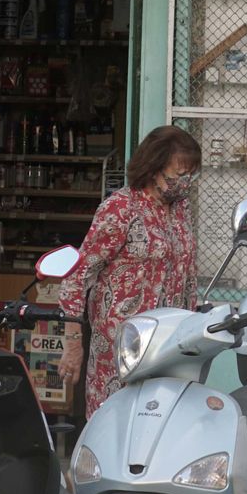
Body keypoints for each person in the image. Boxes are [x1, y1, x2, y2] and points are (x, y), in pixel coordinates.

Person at [57, 125, 202, 416]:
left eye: (190, 176)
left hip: (170, 347)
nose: (185, 184)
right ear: (153, 169)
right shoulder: (121, 209)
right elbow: (77, 275)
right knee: (116, 428)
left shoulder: (181, 208)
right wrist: (73, 343)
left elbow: (187, 274)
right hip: (123, 351)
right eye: (178, 176)